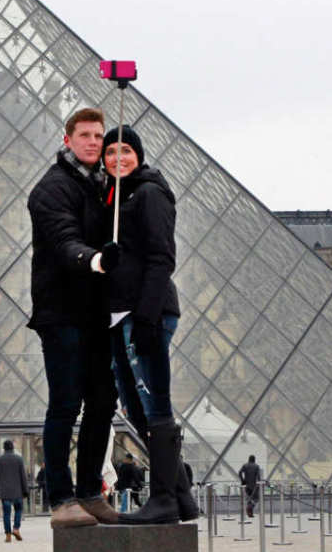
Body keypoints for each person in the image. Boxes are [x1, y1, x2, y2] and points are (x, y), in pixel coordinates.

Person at [100, 124, 198, 525]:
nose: (117, 157)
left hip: (146, 314)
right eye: (110, 152)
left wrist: (145, 315)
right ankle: (181, 497)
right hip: (121, 315)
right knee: (137, 408)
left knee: (154, 403)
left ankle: (163, 502)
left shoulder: (151, 192)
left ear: (138, 155)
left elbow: (162, 257)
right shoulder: (117, 196)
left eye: (125, 150)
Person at [27, 107, 120, 528]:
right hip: (61, 311)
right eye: (84, 134)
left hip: (98, 313)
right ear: (68, 140)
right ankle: (61, 499)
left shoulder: (107, 187)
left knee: (103, 401)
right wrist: (96, 260)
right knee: (65, 404)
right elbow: (65, 242)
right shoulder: (51, 189)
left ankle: (89, 492)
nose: (93, 142)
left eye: (99, 136)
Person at [0, 440, 28, 542]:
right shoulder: (19, 459)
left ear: (4, 448)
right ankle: (16, 528)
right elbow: (23, 476)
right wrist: (25, 491)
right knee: (18, 510)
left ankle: (8, 535)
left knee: (6, 513)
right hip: (18, 491)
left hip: (4, 492)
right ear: (12, 447)